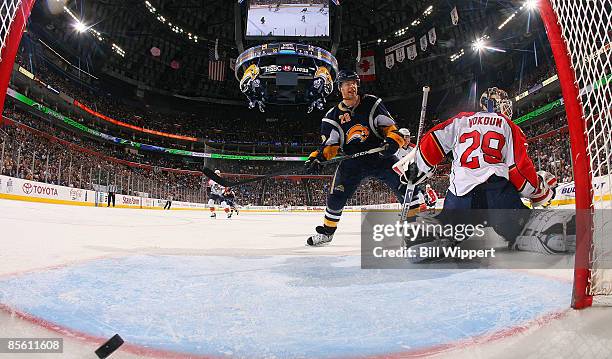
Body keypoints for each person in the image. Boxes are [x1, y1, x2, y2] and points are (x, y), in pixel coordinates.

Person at [398, 87, 557, 246]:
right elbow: (519, 170)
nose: (507, 107)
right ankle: (535, 230)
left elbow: (434, 138)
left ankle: (430, 236)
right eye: (503, 103)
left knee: (450, 226)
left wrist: (417, 166)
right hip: (497, 193)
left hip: (461, 196)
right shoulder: (508, 125)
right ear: (491, 104)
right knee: (518, 226)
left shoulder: (461, 120)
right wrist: (538, 193)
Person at [304, 70, 407, 246]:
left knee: (406, 186)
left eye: (354, 83)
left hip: (380, 155)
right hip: (352, 161)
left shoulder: (372, 103)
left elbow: (390, 128)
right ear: (340, 88)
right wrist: (317, 158)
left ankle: (416, 227)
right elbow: (329, 146)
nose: (351, 86)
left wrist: (393, 140)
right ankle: (328, 232)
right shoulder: (331, 117)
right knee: (336, 196)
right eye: (346, 83)